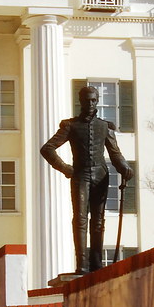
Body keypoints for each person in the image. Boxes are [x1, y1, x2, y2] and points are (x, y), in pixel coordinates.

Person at [41, 85, 134, 274]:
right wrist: (66, 169)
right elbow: (47, 148)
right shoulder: (71, 126)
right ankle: (82, 265)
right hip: (81, 175)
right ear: (80, 101)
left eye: (93, 100)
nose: (90, 103)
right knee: (80, 220)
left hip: (101, 175)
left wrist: (124, 167)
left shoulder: (104, 127)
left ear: (97, 100)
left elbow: (115, 154)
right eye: (87, 100)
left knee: (98, 221)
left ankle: (97, 264)